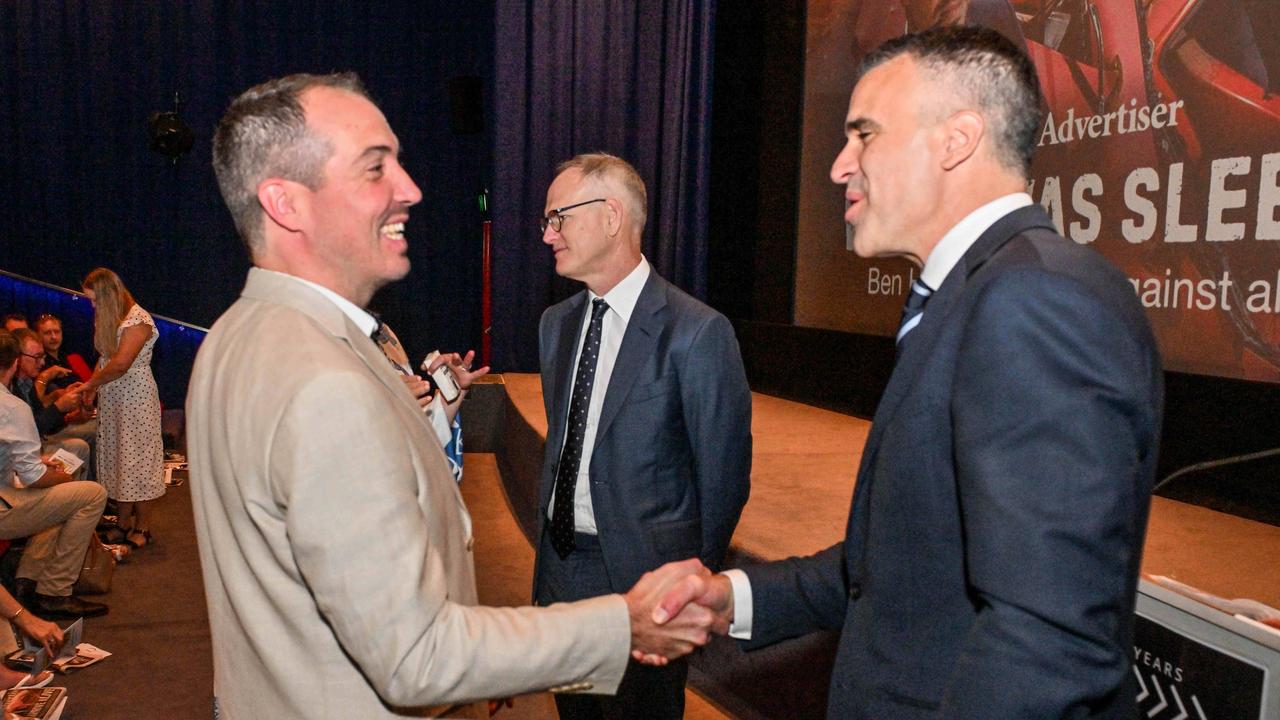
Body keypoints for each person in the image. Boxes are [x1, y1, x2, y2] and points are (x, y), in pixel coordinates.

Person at [653, 26, 1163, 719]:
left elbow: (1046, 641)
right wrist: (732, 599)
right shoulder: (974, 296)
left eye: (864, 134)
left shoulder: (1034, 301)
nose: (839, 166)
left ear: (957, 140)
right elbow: (895, 564)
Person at [191, 72, 714, 719]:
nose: (409, 189)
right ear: (286, 203)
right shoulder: (327, 383)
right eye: (375, 168)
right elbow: (417, 659)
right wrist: (625, 627)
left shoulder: (230, 339)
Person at [535, 153, 752, 719]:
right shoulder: (554, 325)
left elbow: (723, 478)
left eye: (558, 217)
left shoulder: (698, 331)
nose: (547, 234)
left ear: (611, 217)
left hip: (645, 584)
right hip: (562, 574)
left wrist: (683, 587)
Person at [0, 330, 109, 620]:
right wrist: (65, 478)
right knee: (90, 494)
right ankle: (54, 592)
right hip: (4, 501)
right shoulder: (11, 406)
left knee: (59, 493)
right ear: (13, 365)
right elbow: (35, 477)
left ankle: (29, 580)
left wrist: (40, 463)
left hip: (8, 486)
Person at [80, 268, 165, 550]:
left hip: (136, 400)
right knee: (118, 460)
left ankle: (143, 526)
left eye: (95, 300)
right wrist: (92, 387)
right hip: (114, 397)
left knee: (138, 462)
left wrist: (90, 384)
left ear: (108, 296)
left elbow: (120, 364)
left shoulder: (137, 319)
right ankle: (122, 522)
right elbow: (106, 358)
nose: (92, 306)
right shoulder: (112, 318)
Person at [7, 329, 90, 473]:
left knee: (79, 446)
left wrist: (68, 415)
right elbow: (29, 431)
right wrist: (58, 407)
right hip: (21, 457)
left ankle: (71, 492)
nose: (42, 362)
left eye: (43, 356)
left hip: (37, 445)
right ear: (18, 359)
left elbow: (46, 427)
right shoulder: (10, 387)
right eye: (37, 357)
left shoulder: (26, 383)